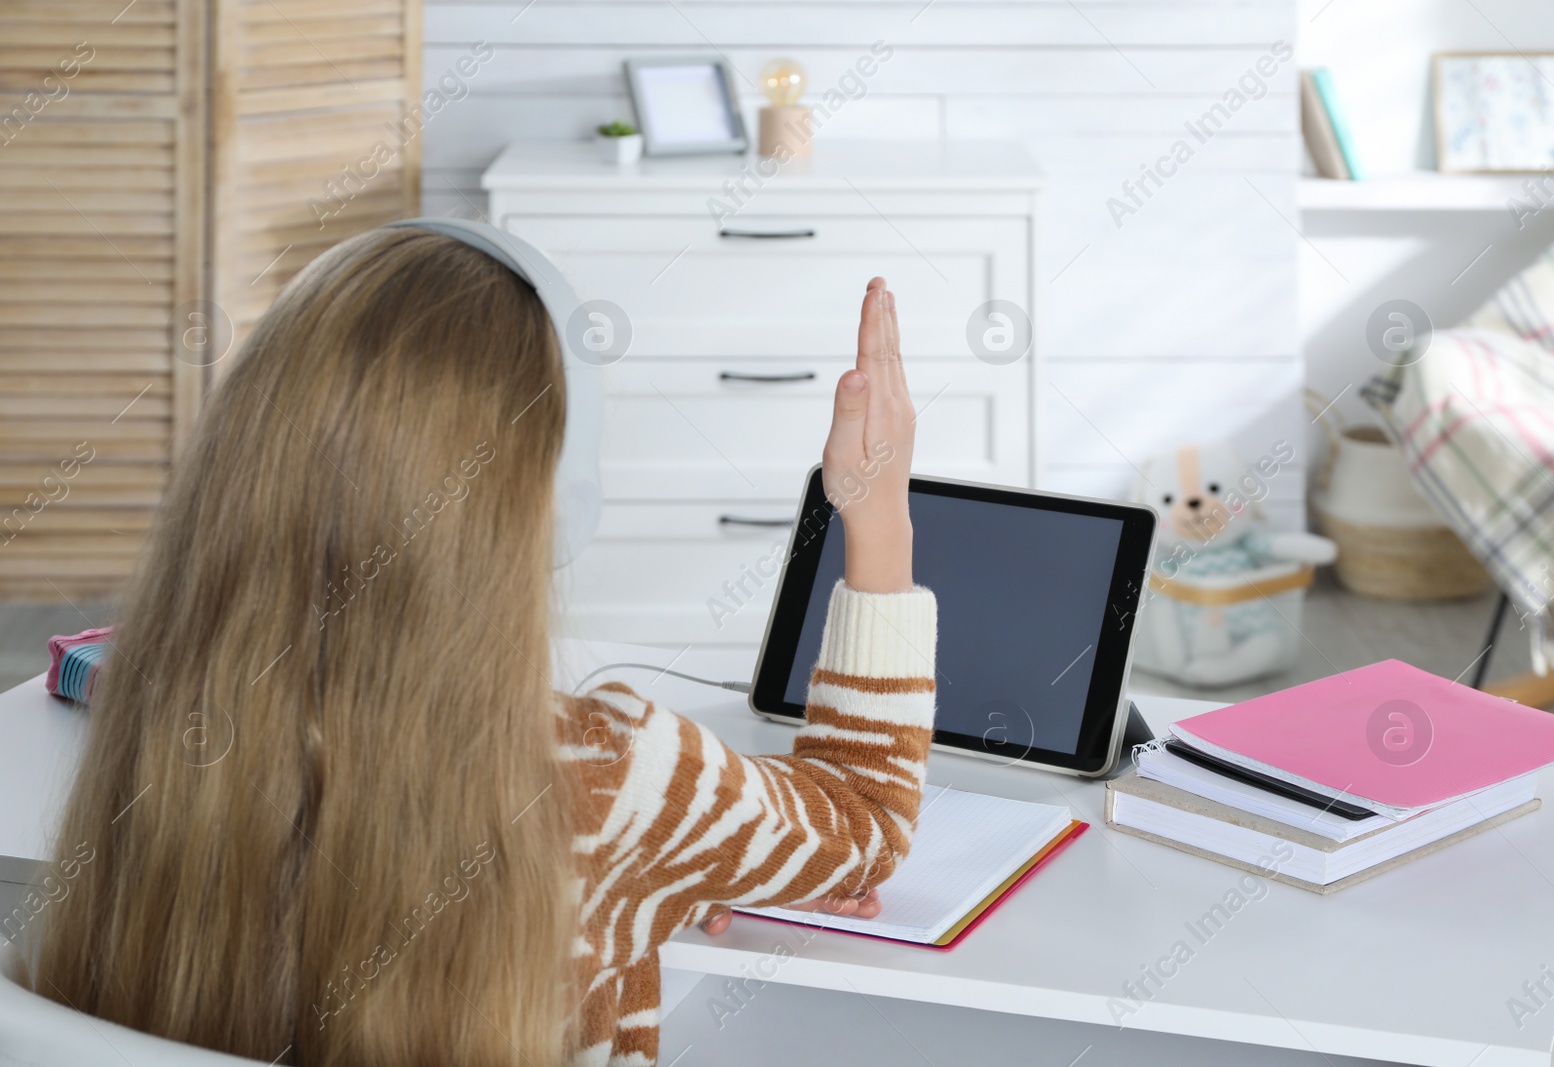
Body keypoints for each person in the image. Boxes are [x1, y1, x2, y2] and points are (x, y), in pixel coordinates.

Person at [30, 225, 937, 1067]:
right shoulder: (608, 774)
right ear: (551, 509)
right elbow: (867, 818)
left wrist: (673, 867)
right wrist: (877, 516)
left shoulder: (150, 746)